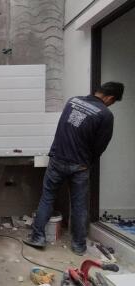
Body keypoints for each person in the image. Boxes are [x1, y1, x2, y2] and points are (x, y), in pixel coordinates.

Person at [23, 82, 125, 255]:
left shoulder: (73, 101)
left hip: (57, 158)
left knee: (47, 198)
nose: (110, 104)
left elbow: (64, 128)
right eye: (112, 102)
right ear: (110, 98)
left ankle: (38, 237)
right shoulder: (105, 115)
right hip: (80, 165)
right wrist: (88, 162)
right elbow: (100, 145)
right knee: (79, 206)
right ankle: (78, 246)